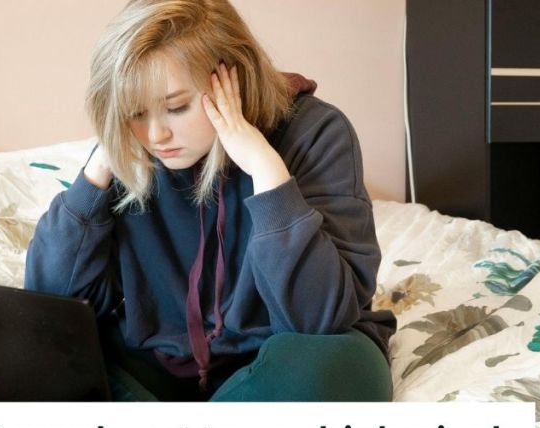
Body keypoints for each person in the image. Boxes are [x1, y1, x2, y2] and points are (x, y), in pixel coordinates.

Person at [24, 0, 396, 402]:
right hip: (164, 363)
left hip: (290, 358)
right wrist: (96, 176)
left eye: (176, 107)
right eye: (135, 113)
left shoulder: (317, 133)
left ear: (233, 75)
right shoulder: (131, 151)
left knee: (332, 370)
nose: (156, 135)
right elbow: (52, 307)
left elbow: (320, 317)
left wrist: (266, 171)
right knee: (50, 353)